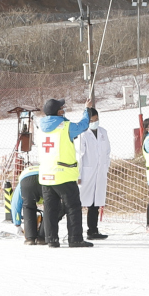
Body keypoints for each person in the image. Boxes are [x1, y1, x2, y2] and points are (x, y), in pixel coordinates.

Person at [35, 98, 94, 248]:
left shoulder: (40, 127)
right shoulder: (65, 126)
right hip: (63, 173)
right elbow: (83, 126)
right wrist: (87, 110)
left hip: (46, 175)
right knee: (73, 207)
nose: (64, 109)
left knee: (50, 209)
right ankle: (75, 238)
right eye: (62, 108)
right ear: (59, 111)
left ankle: (51, 239)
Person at [76, 110, 111, 240]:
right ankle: (76, 231)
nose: (94, 123)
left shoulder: (103, 132)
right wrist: (78, 175)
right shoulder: (82, 134)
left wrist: (105, 168)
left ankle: (93, 231)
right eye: (91, 121)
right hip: (86, 173)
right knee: (78, 202)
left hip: (99, 172)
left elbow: (107, 152)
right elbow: (79, 156)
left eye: (96, 120)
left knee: (95, 203)